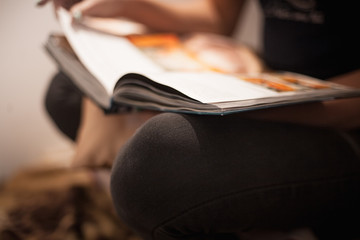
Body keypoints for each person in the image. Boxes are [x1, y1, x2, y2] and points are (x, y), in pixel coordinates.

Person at [39, 0, 360, 239]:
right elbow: (218, 16)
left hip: (342, 117)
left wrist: (260, 109)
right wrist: (125, 5)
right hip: (279, 82)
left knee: (150, 167)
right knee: (65, 93)